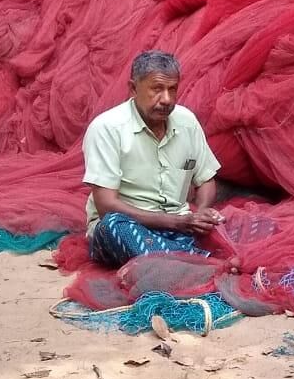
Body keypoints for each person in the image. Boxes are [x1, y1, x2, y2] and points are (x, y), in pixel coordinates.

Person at [83, 50, 223, 268]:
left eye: (172, 89)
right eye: (157, 89)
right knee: (113, 226)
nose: (166, 99)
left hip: (182, 226)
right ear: (133, 89)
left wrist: (203, 211)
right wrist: (176, 222)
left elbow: (206, 179)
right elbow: (106, 205)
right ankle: (198, 260)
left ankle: (178, 260)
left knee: (246, 222)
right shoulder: (107, 128)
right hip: (133, 226)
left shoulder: (187, 122)